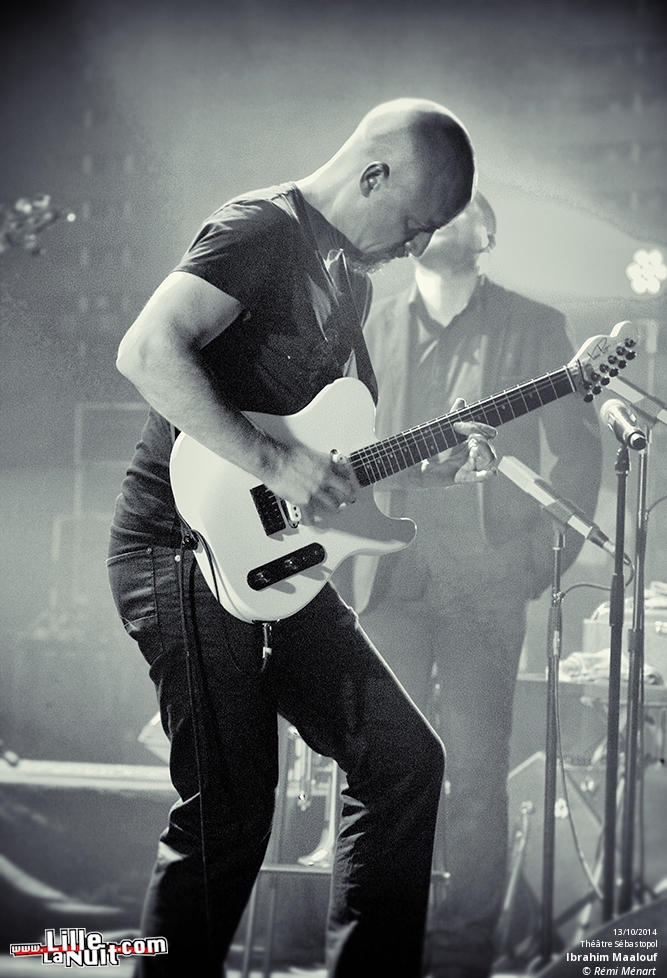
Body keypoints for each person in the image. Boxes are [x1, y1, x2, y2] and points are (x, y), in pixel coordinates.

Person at [106, 98, 500, 978]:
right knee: (230, 812)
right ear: (372, 174)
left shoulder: (347, 278)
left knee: (402, 763)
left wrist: (427, 466)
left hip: (274, 558)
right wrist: (270, 465)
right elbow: (146, 350)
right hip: (180, 553)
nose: (411, 250)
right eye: (411, 226)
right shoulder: (260, 228)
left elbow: (325, 449)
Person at [336, 193, 603, 978]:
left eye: (464, 212)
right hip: (384, 579)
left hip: (488, 581)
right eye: (433, 213)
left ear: (490, 233)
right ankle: (373, 953)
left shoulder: (535, 325)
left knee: (478, 777)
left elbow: (577, 455)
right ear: (411, 236)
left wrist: (536, 563)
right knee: (380, 775)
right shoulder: (369, 327)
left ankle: (460, 963)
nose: (445, 222)